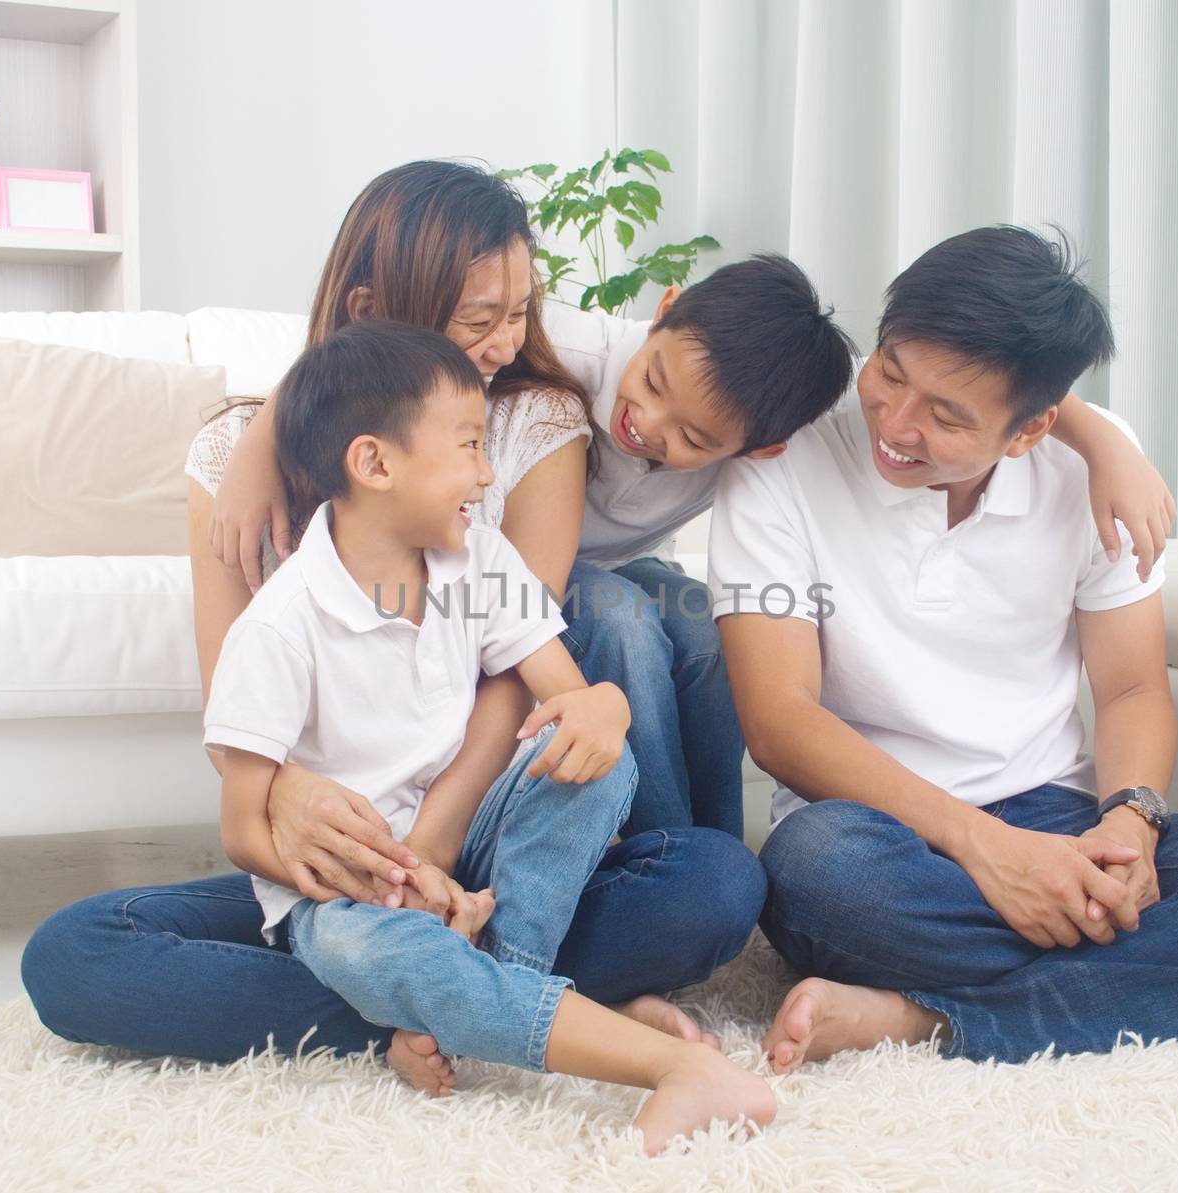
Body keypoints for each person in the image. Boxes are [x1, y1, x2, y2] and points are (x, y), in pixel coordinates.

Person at [22, 162, 766, 1068]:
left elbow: (518, 665)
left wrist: (437, 844)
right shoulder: (240, 455)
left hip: (486, 838)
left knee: (719, 881)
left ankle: (451, 988)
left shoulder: (535, 422)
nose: (502, 342)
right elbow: (235, 705)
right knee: (74, 957)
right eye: (477, 318)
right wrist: (300, 813)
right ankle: (501, 998)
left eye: (520, 312)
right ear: (374, 306)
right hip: (345, 867)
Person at [211, 164, 1178, 842]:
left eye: (696, 441)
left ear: (758, 444)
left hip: (538, 587)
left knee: (700, 632)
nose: (650, 425)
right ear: (661, 314)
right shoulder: (581, 363)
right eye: (655, 381)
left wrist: (1099, 442)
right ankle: (666, 852)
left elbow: (959, 386)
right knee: (630, 613)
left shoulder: (770, 403)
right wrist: (263, 434)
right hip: (538, 589)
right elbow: (358, 368)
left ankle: (707, 856)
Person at [708, 224, 1178, 1070]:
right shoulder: (782, 457)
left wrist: (1130, 825)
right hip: (877, 831)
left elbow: (1134, 689)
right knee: (815, 871)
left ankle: (933, 1022)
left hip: (1059, 815)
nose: (895, 419)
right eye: (890, 369)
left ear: (1032, 430)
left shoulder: (1088, 466)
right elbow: (779, 722)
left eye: (947, 416)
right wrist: (987, 850)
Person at [208, 320, 773, 1153]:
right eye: (471, 446)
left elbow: (564, 696)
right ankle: (652, 1057)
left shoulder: (480, 558)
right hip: (351, 895)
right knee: (381, 953)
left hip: (476, 852)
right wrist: (383, 878)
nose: (485, 473)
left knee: (605, 774)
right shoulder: (280, 627)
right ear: (375, 463)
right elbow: (242, 829)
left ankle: (495, 989)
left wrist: (603, 706)